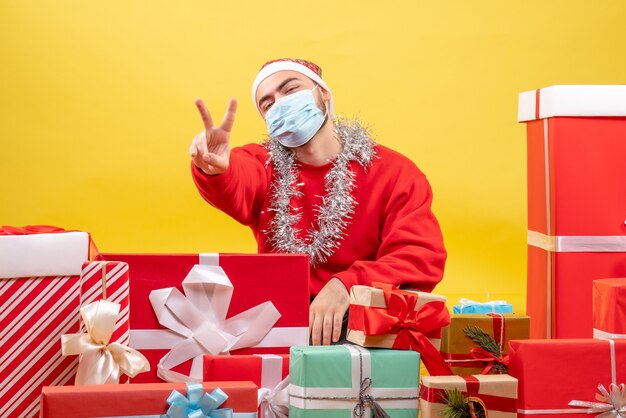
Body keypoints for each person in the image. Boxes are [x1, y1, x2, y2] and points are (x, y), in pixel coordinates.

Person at [189, 58, 447, 346]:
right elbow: (237, 181)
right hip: (279, 328)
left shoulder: (396, 173)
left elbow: (419, 257)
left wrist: (345, 285)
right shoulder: (263, 164)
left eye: (290, 90)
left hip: (365, 331)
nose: (280, 104)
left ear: (323, 93)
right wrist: (214, 168)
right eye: (268, 104)